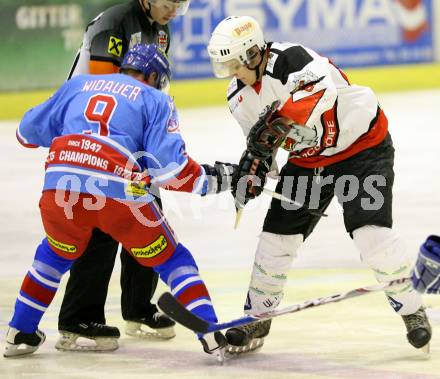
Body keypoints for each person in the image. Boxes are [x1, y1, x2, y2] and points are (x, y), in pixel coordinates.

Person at [207, 15, 432, 355]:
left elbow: (318, 96)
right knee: (275, 239)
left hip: (361, 148)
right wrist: (253, 172)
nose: (230, 73)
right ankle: (257, 316)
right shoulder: (238, 96)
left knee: (372, 235)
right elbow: (262, 150)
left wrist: (274, 128)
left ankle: (412, 310)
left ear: (252, 54)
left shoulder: (291, 59)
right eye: (223, 66)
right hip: (310, 162)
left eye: (232, 64)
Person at [4, 43, 232, 360]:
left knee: (54, 254)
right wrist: (216, 180)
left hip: (59, 188)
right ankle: (208, 329)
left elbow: (25, 134)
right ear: (153, 76)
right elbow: (172, 171)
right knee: (171, 260)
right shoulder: (155, 99)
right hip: (118, 193)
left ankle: (19, 332)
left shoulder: (78, 84)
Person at [59, 0, 191, 351]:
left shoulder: (161, 25)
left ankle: (138, 309)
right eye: (170, 3)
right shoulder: (115, 22)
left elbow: (148, 91)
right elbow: (103, 91)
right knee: (102, 226)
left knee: (148, 217)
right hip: (93, 137)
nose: (175, 11)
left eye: (181, 3)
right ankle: (78, 318)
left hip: (129, 136)